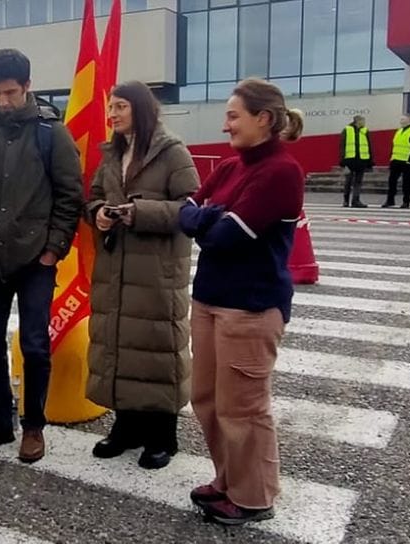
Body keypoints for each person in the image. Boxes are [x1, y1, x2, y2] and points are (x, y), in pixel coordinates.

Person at [178, 77, 305, 525]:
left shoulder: (281, 171)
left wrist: (206, 218)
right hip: (210, 299)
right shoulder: (232, 168)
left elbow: (228, 236)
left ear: (264, 119)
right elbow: (185, 210)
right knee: (207, 399)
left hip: (250, 307)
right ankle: (227, 478)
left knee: (244, 409)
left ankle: (253, 498)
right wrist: (206, 216)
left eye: (234, 115)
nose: (225, 124)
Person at [0, 48, 84, 463]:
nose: (3, 101)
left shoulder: (51, 133)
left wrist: (53, 250)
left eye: (10, 92)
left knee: (34, 345)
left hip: (35, 260)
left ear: (27, 86)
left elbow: (70, 196)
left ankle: (33, 425)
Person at [84, 81, 199, 470]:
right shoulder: (112, 153)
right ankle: (126, 427)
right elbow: (96, 194)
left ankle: (163, 436)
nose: (112, 114)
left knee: (156, 348)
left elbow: (191, 208)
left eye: (120, 107)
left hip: (157, 269)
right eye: (111, 107)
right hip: (116, 267)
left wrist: (140, 212)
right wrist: (99, 212)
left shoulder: (172, 152)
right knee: (121, 343)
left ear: (141, 110)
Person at [381, 114, 410, 209]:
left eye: (403, 119)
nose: (401, 121)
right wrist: (391, 157)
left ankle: (406, 201)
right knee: (392, 181)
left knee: (406, 182)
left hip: (407, 161)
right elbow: (395, 145)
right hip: (396, 160)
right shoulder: (399, 131)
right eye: (401, 119)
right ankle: (390, 200)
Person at [339, 114, 373, 208]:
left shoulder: (365, 131)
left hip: (361, 160)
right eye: (363, 121)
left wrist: (370, 161)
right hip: (349, 160)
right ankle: (346, 201)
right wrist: (342, 161)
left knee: (358, 182)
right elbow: (342, 146)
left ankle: (355, 200)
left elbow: (369, 146)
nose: (364, 123)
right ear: (358, 121)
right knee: (348, 181)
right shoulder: (347, 130)